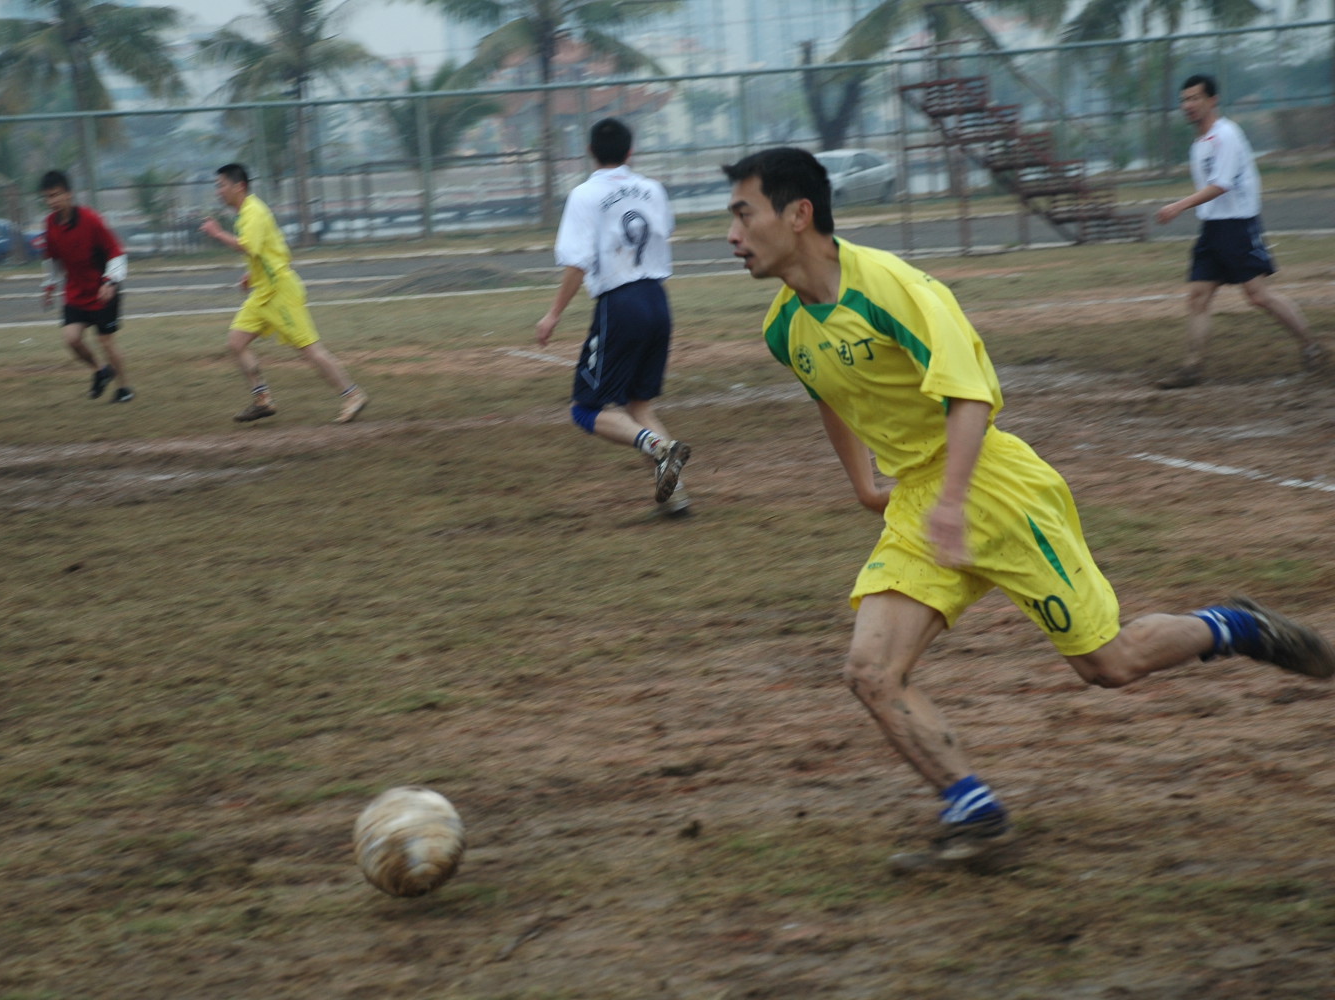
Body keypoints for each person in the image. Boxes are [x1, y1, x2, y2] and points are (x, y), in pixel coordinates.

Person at [722, 146, 1335, 872]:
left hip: (994, 488)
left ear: (798, 215)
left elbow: (970, 395)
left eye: (743, 214)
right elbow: (828, 391)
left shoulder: (894, 288)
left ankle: (1238, 626)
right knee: (869, 671)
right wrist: (865, 483)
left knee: (1109, 665)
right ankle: (976, 815)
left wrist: (953, 502)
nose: (733, 234)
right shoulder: (784, 326)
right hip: (921, 500)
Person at [536, 118, 691, 516]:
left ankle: (660, 447)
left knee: (585, 409)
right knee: (639, 405)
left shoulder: (585, 195)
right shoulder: (653, 189)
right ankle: (676, 498)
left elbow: (577, 262)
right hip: (658, 300)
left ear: (590, 151)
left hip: (621, 304)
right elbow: (662, 232)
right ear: (630, 151)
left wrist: (553, 314)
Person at [1152, 73, 1325, 389]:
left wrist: (1178, 206)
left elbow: (1221, 185)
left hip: (1237, 226)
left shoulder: (1226, 135)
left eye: (1195, 98)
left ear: (1212, 100)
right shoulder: (1199, 144)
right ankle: (1191, 368)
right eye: (1184, 100)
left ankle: (1311, 345)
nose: (1188, 105)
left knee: (1258, 296)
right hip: (1212, 229)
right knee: (1198, 297)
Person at [199, 163, 367, 424]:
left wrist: (218, 233)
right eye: (217, 186)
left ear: (239, 186)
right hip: (263, 292)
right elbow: (267, 249)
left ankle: (353, 395)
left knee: (309, 349)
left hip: (280, 292)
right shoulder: (245, 213)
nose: (218, 191)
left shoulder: (254, 211)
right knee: (236, 343)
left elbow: (249, 246)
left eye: (221, 185)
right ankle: (262, 400)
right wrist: (252, 274)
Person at [39, 169, 133, 403]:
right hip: (76, 292)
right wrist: (49, 285)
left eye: (56, 195)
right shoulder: (50, 224)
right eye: (48, 197)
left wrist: (110, 282)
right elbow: (52, 259)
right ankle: (101, 371)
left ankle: (124, 389)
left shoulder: (90, 219)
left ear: (69, 194)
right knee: (71, 339)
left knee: (105, 341)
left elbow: (116, 251)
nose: (52, 201)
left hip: (103, 290)